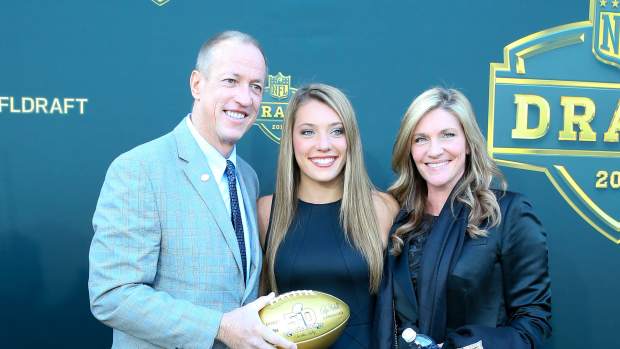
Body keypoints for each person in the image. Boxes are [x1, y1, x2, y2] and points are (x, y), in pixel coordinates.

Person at [88, 31, 296, 349]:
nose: (245, 98)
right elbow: (112, 294)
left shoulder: (246, 177)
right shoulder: (139, 169)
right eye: (231, 81)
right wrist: (220, 327)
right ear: (197, 84)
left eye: (256, 86)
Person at [376, 87, 551, 348]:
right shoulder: (397, 218)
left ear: (468, 143)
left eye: (447, 135)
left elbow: (534, 320)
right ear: (409, 149)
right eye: (421, 139)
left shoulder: (507, 214)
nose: (434, 151)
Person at [257, 83, 399, 349]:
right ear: (290, 139)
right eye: (308, 132)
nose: (323, 145)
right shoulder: (266, 212)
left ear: (351, 140)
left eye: (336, 131)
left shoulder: (382, 208)